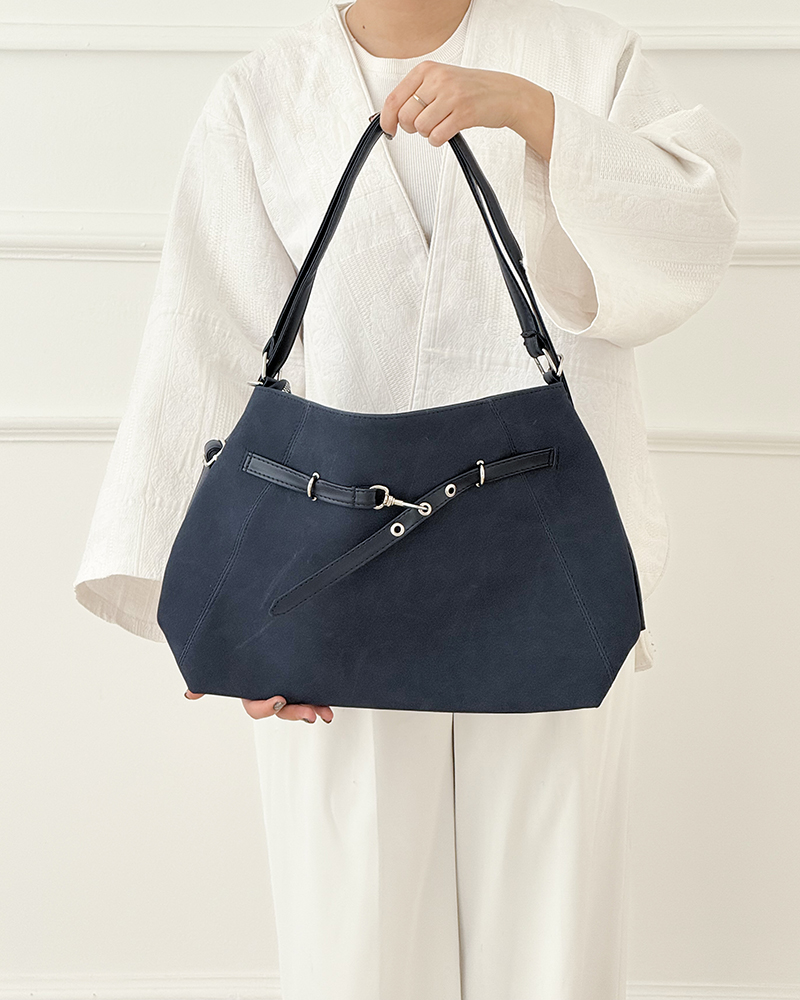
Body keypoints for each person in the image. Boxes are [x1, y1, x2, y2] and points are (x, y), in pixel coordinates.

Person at [73, 0, 742, 996]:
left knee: (551, 956)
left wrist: (533, 114)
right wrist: (228, 621)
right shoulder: (262, 95)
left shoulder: (590, 59)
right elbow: (208, 346)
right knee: (358, 958)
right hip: (327, 594)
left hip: (554, 580)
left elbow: (689, 238)